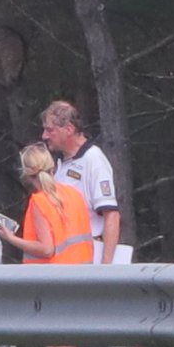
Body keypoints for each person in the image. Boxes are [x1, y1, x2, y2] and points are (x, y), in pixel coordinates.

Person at [0, 143, 93, 347]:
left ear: (27, 173)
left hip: (53, 283)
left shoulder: (39, 202)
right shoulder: (73, 195)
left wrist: (12, 239)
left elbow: (47, 248)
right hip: (81, 279)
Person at [40, 100, 121, 264]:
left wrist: (106, 267)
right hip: (66, 256)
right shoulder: (61, 162)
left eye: (50, 130)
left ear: (69, 129)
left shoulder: (93, 160)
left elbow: (111, 214)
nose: (44, 136)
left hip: (90, 255)